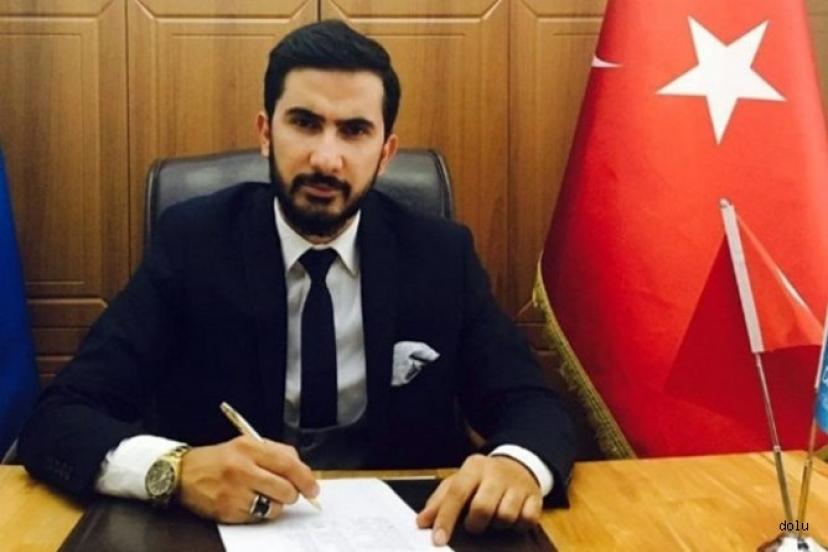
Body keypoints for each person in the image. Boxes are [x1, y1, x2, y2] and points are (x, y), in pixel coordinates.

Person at [18, 20, 574, 546]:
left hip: (406, 536)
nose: (326, 158)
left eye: (354, 131)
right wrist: (175, 471)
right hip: (219, 537)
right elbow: (60, 418)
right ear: (266, 133)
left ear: (385, 153)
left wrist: (516, 464)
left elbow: (531, 404)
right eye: (305, 123)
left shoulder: (439, 256)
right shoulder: (193, 244)